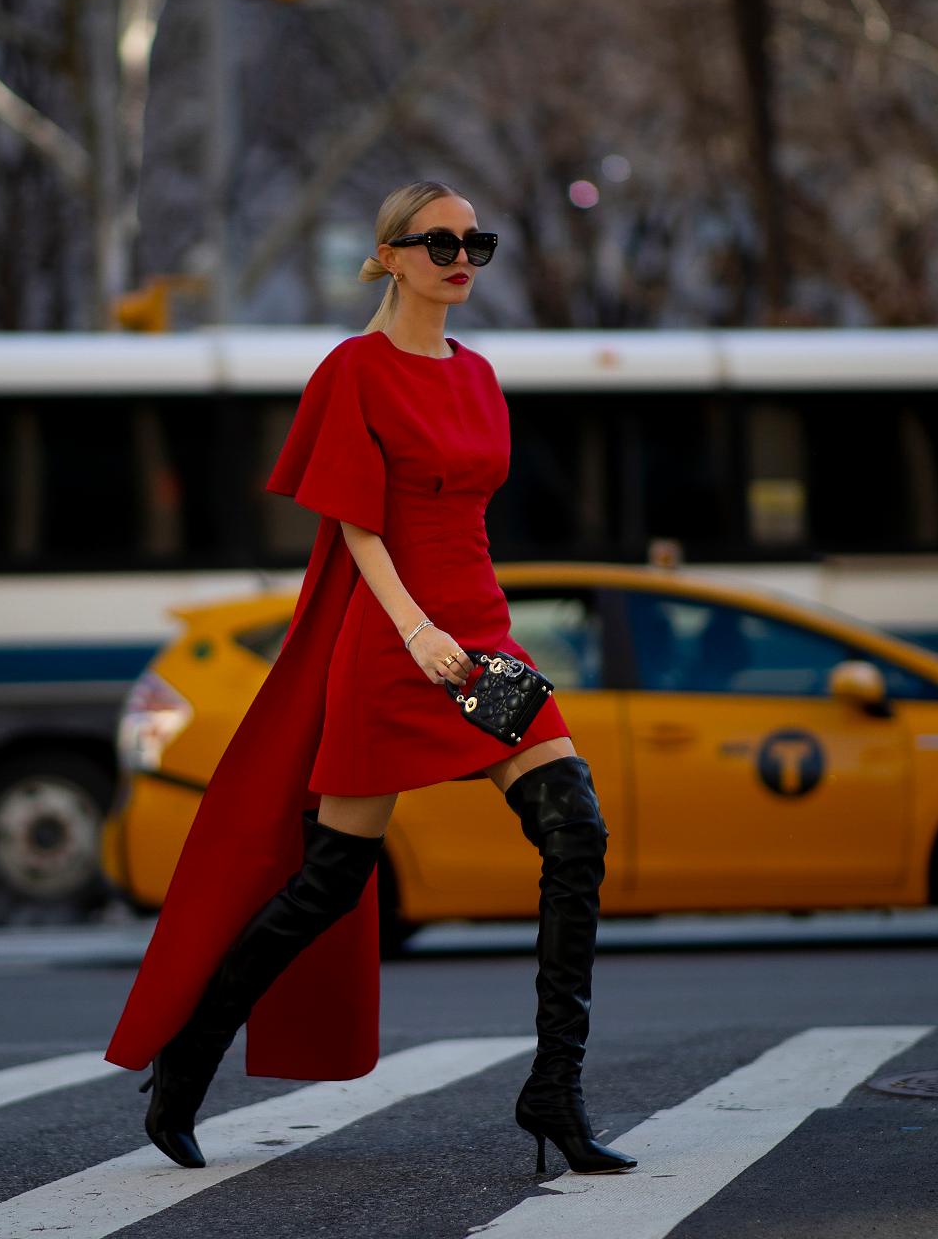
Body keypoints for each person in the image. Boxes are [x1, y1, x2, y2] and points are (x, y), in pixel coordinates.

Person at [104, 179, 637, 1179]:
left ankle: (553, 1091)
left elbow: (464, 518)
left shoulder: (478, 375)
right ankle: (186, 1063)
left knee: (577, 831)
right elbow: (357, 519)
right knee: (330, 883)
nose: (461, 257)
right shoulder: (353, 369)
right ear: (389, 255)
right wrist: (417, 631)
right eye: (439, 242)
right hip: (396, 645)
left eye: (476, 241)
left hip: (484, 646)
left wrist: (466, 640)